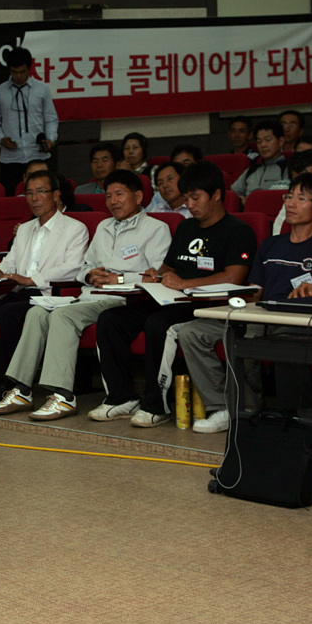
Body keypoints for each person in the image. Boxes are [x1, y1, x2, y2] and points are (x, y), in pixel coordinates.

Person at [0, 170, 171, 418]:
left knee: (63, 316)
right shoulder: (105, 226)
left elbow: (157, 276)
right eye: (108, 195)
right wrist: (90, 275)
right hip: (89, 295)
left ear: (138, 196)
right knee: (37, 313)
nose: (113, 201)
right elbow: (83, 267)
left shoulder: (156, 229)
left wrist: (120, 279)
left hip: (122, 299)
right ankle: (21, 390)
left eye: (119, 194)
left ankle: (63, 396)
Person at [92, 160, 257, 427]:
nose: (190, 205)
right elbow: (169, 266)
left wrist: (185, 283)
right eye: (187, 198)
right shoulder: (186, 227)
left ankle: (156, 405)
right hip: (172, 299)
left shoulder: (237, 231)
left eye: (196, 197)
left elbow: (234, 277)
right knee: (112, 319)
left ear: (216, 195)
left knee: (158, 324)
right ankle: (120, 397)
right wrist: (154, 274)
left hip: (208, 304)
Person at [176, 173, 312, 432]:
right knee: (191, 332)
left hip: (293, 320)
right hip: (258, 313)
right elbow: (255, 291)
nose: (291, 204)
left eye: (301, 198)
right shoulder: (271, 245)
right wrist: (233, 306)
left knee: (263, 336)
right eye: (289, 197)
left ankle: (257, 411)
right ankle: (223, 407)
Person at [0, 170, 88, 401]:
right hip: (21, 293)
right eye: (29, 193)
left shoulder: (74, 228)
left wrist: (31, 279)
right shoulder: (26, 228)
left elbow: (74, 268)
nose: (34, 198)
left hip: (49, 295)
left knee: (9, 314)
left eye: (40, 192)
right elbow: (11, 260)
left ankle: (9, 381)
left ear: (56, 195)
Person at [0, 46, 59, 196]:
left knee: (43, 197)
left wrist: (51, 139)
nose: (18, 76)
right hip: (11, 159)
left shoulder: (42, 89)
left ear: (29, 68)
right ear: (9, 70)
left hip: (38, 155)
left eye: (23, 72)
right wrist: (1, 139)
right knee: (12, 199)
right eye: (14, 72)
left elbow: (51, 119)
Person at [271, 149, 312, 235]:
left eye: (309, 180)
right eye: (296, 181)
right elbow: (279, 231)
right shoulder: (292, 201)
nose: (301, 186)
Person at [230, 119, 287, 205]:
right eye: (259, 141)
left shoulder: (289, 169)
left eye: (268, 140)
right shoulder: (251, 170)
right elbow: (233, 193)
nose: (263, 145)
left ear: (281, 141)